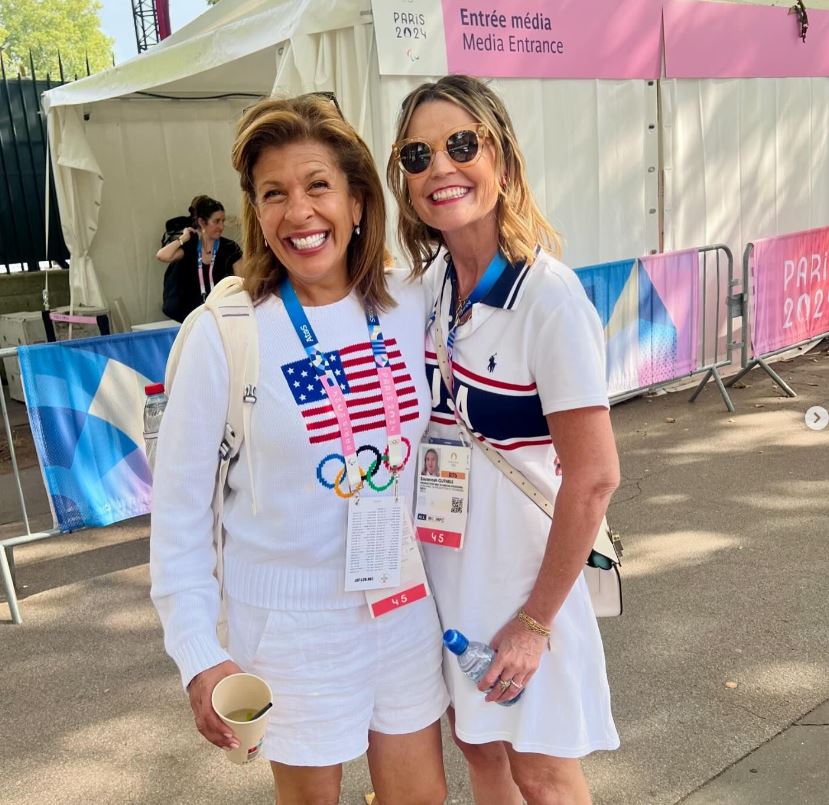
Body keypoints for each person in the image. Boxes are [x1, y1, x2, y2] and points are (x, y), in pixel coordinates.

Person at [150, 96, 448, 805]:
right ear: (256, 212)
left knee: (421, 798)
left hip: (403, 606)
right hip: (291, 626)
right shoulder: (225, 329)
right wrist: (198, 653)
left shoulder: (410, 303)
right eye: (273, 194)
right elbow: (180, 512)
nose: (298, 212)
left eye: (317, 185)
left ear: (355, 199)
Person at [387, 75, 620, 805]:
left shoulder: (546, 297)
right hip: (448, 575)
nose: (440, 169)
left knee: (543, 771)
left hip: (526, 586)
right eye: (417, 155)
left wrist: (532, 623)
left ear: (503, 158)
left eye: (461, 144)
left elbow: (592, 478)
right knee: (478, 750)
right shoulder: (422, 289)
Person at [156, 194, 243, 322]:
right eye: (216, 221)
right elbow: (162, 255)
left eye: (223, 221)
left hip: (222, 317)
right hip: (193, 318)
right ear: (202, 222)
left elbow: (242, 282)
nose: (221, 227)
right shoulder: (190, 246)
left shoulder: (229, 247)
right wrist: (183, 239)